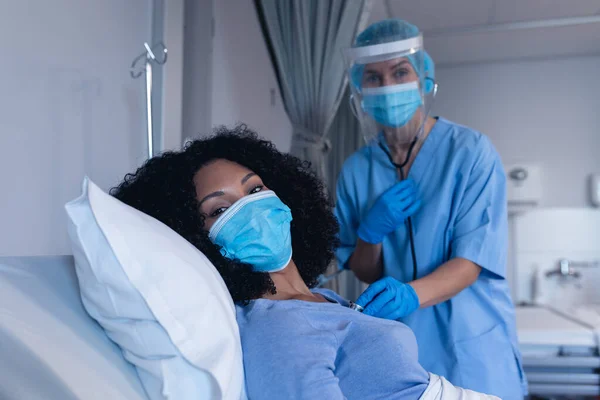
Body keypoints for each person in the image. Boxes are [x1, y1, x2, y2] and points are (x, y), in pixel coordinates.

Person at [111, 125, 498, 400]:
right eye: (220, 209)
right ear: (195, 239)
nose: (250, 208)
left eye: (255, 188)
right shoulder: (277, 326)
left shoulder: (321, 300)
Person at [335, 18, 526, 399]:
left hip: (473, 342)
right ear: (360, 87)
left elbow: (471, 261)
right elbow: (363, 268)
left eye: (400, 72)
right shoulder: (357, 169)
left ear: (424, 79)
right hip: (400, 344)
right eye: (373, 77)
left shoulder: (470, 152)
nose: (388, 86)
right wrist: (369, 236)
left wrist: (407, 295)